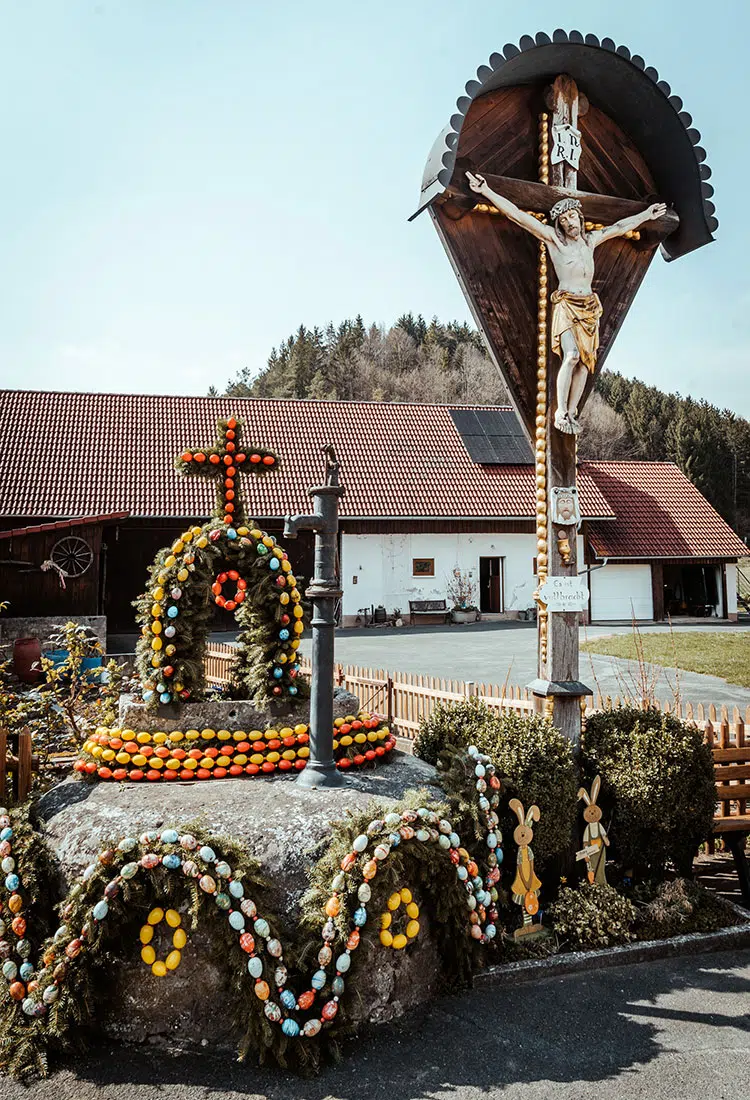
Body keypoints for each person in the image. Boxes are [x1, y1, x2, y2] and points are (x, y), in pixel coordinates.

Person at [465, 171, 666, 434]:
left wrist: (646, 216)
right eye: (564, 219)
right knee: (570, 356)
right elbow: (519, 215)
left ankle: (571, 413)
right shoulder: (555, 241)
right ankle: (560, 410)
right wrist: (486, 192)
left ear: (580, 219)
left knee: (585, 364)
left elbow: (619, 227)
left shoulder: (590, 241)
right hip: (567, 306)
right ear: (559, 225)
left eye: (572, 216)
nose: (569, 222)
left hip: (589, 308)